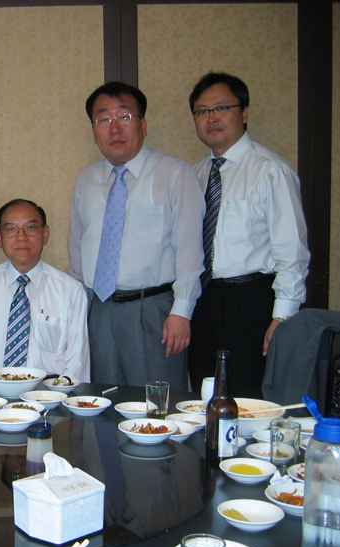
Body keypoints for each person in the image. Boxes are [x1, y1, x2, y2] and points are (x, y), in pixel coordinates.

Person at [68, 82, 204, 389]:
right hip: (100, 311)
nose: (114, 128)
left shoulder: (175, 173)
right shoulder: (86, 181)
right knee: (101, 401)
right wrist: (78, 316)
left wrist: (182, 312)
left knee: (156, 407)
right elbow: (77, 253)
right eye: (104, 119)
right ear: (94, 132)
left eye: (124, 116)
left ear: (143, 125)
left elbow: (190, 251)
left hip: (154, 311)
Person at [187, 72, 309, 399]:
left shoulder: (270, 170)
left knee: (246, 399)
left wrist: (282, 316)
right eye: (202, 111)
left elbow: (293, 253)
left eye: (221, 108)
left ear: (244, 113)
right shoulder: (195, 174)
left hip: (250, 302)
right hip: (203, 300)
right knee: (202, 395)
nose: (211, 118)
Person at [0, 199, 90, 383]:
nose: (21, 237)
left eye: (31, 228)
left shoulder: (71, 291)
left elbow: (78, 360)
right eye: (11, 229)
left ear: (45, 234)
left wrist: (59, 392)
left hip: (51, 393)